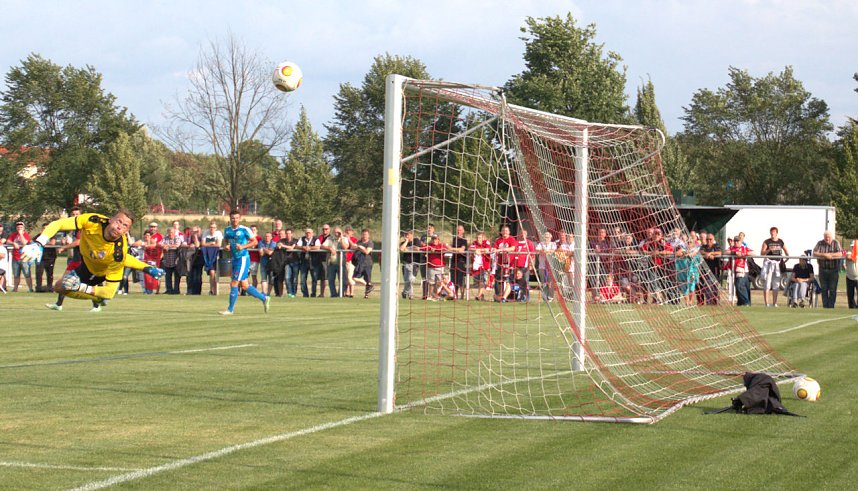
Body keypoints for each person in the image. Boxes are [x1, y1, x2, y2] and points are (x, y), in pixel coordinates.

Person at [21, 210, 164, 311]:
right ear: (110, 220)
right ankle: (92, 299)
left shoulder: (118, 252)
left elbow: (110, 293)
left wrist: (82, 288)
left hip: (101, 271)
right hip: (85, 263)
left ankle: (95, 297)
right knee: (59, 287)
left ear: (126, 231)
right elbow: (58, 224)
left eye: (125, 226)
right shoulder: (92, 220)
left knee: (102, 294)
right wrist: (39, 242)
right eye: (119, 221)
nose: (119, 226)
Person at [219, 210, 271, 315]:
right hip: (234, 258)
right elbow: (225, 240)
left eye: (237, 218)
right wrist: (227, 246)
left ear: (239, 218)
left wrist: (243, 246)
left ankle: (230, 310)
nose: (235, 220)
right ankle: (264, 298)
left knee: (234, 282)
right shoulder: (227, 230)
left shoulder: (244, 229)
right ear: (230, 218)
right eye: (233, 218)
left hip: (242, 258)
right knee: (245, 285)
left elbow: (254, 241)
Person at [760, 226, 789, 307]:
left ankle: (775, 303)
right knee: (767, 283)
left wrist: (784, 260)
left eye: (774, 232)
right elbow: (762, 253)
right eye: (771, 233)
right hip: (769, 263)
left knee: (776, 284)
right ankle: (766, 303)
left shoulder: (780, 241)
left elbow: (787, 252)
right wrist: (769, 250)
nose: (772, 234)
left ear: (776, 233)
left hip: (777, 264)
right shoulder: (767, 241)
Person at [813, 230, 841, 308]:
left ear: (831, 237)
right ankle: (825, 306)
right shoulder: (820, 243)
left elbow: (840, 253)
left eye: (828, 237)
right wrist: (824, 255)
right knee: (824, 289)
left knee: (832, 290)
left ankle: (831, 306)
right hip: (822, 269)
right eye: (826, 237)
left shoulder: (836, 243)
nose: (827, 239)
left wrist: (831, 255)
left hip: (833, 270)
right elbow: (814, 253)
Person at [492, 225, 517, 300]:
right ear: (501, 232)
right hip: (500, 263)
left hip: (509, 264)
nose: (505, 232)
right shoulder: (498, 240)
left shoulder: (512, 239)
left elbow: (512, 248)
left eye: (506, 230)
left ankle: (505, 296)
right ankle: (499, 295)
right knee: (498, 280)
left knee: (508, 280)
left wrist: (500, 250)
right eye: (503, 230)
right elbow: (494, 248)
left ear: (509, 232)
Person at [421, 234, 449, 300]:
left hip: (439, 267)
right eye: (433, 239)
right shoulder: (429, 246)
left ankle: (436, 295)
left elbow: (444, 249)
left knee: (439, 282)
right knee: (431, 282)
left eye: (436, 239)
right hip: (431, 266)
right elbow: (423, 248)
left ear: (438, 240)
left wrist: (435, 250)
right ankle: (431, 296)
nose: (434, 240)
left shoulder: (441, 245)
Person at [8, 221, 34, 292]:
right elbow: (8, 241)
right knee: (16, 274)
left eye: (21, 227)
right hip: (15, 257)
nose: (19, 228)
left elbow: (25, 243)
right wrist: (13, 243)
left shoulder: (26, 235)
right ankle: (15, 289)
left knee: (27, 274)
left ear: (23, 228)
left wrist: (21, 234)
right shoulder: (13, 235)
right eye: (18, 227)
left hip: (24, 257)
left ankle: (30, 289)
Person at [730, 235, 753, 306]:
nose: (736, 242)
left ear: (741, 242)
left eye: (738, 241)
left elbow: (753, 252)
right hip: (735, 270)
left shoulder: (744, 248)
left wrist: (744, 254)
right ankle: (741, 302)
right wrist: (735, 253)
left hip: (742, 270)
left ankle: (746, 302)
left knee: (740, 285)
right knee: (741, 286)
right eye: (735, 241)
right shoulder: (732, 248)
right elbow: (726, 252)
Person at [469, 231, 493, 301]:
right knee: (479, 281)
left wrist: (479, 250)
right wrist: (476, 250)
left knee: (482, 280)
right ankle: (481, 295)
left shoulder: (486, 242)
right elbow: (470, 248)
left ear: (483, 238)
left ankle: (479, 295)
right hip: (477, 266)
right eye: (477, 238)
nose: (478, 239)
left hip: (485, 265)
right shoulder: (474, 243)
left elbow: (487, 249)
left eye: (480, 238)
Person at [352, 229, 375, 298]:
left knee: (367, 279)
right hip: (359, 263)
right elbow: (353, 246)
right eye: (363, 234)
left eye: (365, 234)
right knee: (355, 278)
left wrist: (360, 248)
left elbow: (367, 252)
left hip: (367, 263)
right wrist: (357, 246)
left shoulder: (370, 243)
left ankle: (366, 295)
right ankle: (368, 285)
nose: (364, 236)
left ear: (368, 235)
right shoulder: (359, 242)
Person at [201, 221, 223, 295]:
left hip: (216, 255)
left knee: (214, 273)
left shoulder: (218, 233)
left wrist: (208, 244)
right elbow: (202, 244)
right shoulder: (206, 233)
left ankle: (215, 290)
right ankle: (212, 290)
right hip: (208, 256)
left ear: (216, 228)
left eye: (213, 227)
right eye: (211, 227)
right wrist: (211, 243)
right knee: (211, 273)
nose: (212, 229)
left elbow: (219, 244)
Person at [297, 228, 319, 298]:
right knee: (303, 279)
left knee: (314, 279)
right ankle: (305, 294)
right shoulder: (302, 239)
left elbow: (318, 247)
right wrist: (303, 247)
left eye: (309, 233)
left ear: (312, 233)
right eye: (307, 233)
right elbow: (297, 246)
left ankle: (313, 294)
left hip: (314, 262)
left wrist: (310, 248)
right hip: (304, 262)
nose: (308, 234)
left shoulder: (316, 239)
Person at [160, 226, 184, 294]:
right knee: (168, 277)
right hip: (167, 261)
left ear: (174, 233)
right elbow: (160, 244)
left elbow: (177, 245)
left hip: (176, 261)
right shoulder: (165, 238)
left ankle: (176, 290)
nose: (170, 234)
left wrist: (167, 246)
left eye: (172, 232)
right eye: (169, 232)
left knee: (177, 277)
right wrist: (164, 246)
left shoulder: (177, 238)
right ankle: (169, 290)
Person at [535, 231, 557, 302]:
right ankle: (545, 296)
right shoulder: (540, 244)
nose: (546, 238)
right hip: (542, 266)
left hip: (550, 266)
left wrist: (545, 251)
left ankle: (551, 296)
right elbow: (537, 250)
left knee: (550, 282)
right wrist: (544, 251)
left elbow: (552, 251)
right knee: (543, 282)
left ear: (551, 237)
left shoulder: (553, 244)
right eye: (545, 237)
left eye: (548, 237)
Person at [450, 225, 469, 299]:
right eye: (458, 230)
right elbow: (451, 249)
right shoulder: (454, 239)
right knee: (453, 279)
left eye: (460, 230)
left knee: (460, 280)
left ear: (463, 231)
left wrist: (452, 248)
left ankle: (462, 296)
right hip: (453, 261)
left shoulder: (464, 240)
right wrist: (453, 249)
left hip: (461, 261)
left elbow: (462, 249)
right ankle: (455, 295)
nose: (459, 231)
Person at [322, 227, 342, 298]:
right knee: (331, 280)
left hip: (341, 264)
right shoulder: (329, 238)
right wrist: (330, 248)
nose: (336, 234)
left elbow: (345, 247)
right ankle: (333, 295)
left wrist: (341, 238)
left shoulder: (344, 239)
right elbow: (322, 246)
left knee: (342, 281)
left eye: (338, 232)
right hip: (331, 263)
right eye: (335, 232)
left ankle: (340, 295)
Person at [399, 230, 418, 300]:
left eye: (408, 235)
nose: (406, 236)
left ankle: (404, 292)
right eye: (405, 235)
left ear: (412, 235)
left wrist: (407, 249)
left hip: (414, 263)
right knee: (406, 280)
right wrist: (406, 242)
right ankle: (410, 295)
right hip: (405, 263)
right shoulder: (403, 242)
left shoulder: (416, 240)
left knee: (411, 279)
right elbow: (401, 249)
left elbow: (416, 248)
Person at [315, 224, 332, 297]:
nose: (325, 230)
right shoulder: (319, 237)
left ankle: (326, 293)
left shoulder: (331, 238)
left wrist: (328, 248)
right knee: (318, 277)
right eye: (323, 229)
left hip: (327, 259)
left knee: (326, 277)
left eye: (326, 229)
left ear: (329, 229)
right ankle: (318, 293)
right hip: (318, 259)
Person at [257, 231, 275, 296]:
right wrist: (267, 250)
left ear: (271, 237)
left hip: (271, 264)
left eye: (268, 236)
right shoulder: (261, 242)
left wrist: (264, 249)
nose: (267, 238)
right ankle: (264, 293)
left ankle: (268, 294)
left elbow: (270, 253)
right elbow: (261, 254)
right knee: (263, 278)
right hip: (263, 263)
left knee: (271, 279)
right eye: (266, 236)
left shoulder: (273, 243)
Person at [846, 239, 858, 309]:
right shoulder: (849, 252)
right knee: (850, 296)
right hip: (850, 277)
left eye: (854, 246)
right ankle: (852, 308)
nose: (853, 248)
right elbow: (848, 257)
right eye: (852, 246)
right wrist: (855, 256)